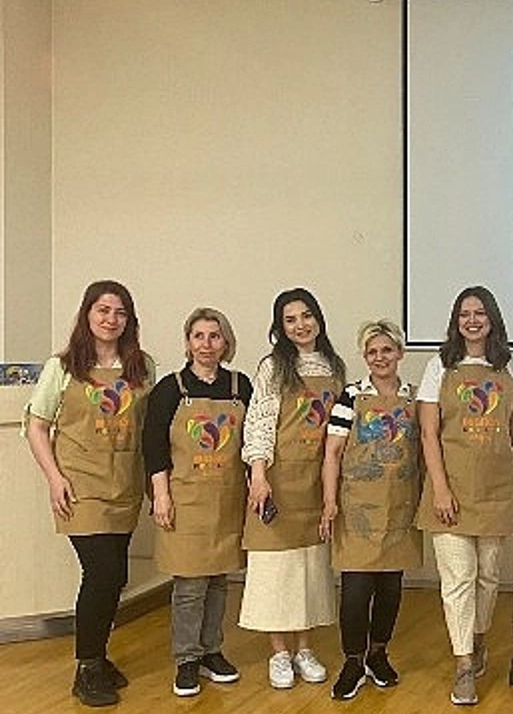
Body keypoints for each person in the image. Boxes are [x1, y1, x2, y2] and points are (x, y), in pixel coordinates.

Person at [23, 280, 154, 707]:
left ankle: (98, 655)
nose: (111, 319)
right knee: (101, 574)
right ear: (87, 314)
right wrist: (54, 477)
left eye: (120, 312)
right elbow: (37, 425)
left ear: (129, 320)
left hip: (125, 484)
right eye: (103, 310)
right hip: (80, 486)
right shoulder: (62, 367)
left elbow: (149, 428)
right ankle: (87, 667)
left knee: (115, 575)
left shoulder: (142, 367)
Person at [415, 285, 513, 705]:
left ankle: (478, 639)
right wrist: (440, 488)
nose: (472, 321)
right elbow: (428, 433)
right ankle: (463, 665)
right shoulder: (439, 366)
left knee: (488, 576)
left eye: (479, 313)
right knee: (458, 579)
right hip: (451, 487)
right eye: (464, 314)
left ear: (492, 319)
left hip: (496, 488)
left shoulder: (510, 367)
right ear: (455, 322)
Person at [142, 307, 252, 697]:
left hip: (227, 498)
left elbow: (254, 442)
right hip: (184, 499)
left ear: (226, 342)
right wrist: (161, 494)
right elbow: (153, 445)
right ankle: (187, 659)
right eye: (199, 336)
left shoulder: (240, 386)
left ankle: (211, 651)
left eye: (214, 336)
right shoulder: (170, 389)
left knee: (219, 580)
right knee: (190, 584)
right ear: (188, 342)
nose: (206, 344)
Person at [239, 287, 345, 689]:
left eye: (306, 316)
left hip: (318, 481)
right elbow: (259, 422)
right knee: (276, 572)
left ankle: (305, 648)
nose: (301, 325)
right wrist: (259, 473)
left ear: (318, 318)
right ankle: (280, 653)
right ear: (280, 327)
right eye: (290, 319)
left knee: (310, 571)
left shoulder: (334, 366)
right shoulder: (273, 367)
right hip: (279, 480)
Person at [320, 320, 424, 700]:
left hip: (399, 505)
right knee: (356, 590)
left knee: (390, 588)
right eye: (372, 352)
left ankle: (378, 654)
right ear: (365, 357)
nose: (380, 358)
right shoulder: (350, 397)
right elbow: (332, 453)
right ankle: (352, 661)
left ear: (400, 353)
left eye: (386, 350)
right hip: (357, 507)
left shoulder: (415, 399)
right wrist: (329, 502)